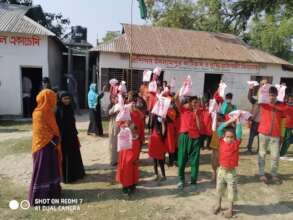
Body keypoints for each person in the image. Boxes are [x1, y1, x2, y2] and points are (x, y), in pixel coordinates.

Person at [28, 89, 62, 206]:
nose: (55, 101)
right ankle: (40, 197)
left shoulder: (49, 112)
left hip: (50, 146)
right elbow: (41, 132)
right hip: (42, 147)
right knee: (42, 172)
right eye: (53, 98)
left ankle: (52, 193)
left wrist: (54, 140)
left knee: (51, 170)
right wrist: (53, 141)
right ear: (47, 99)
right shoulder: (38, 113)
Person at [213, 115, 242, 218]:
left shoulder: (236, 144)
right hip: (221, 171)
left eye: (231, 137)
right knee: (219, 189)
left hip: (231, 173)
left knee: (231, 192)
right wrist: (231, 120)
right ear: (223, 137)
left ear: (234, 138)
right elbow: (220, 129)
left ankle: (230, 210)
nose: (229, 139)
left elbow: (239, 132)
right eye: (227, 137)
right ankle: (218, 205)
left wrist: (238, 121)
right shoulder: (221, 141)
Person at [258, 86, 287, 184]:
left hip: (276, 135)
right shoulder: (263, 104)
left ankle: (273, 174)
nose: (272, 97)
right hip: (263, 133)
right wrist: (259, 87)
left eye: (274, 95)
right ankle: (261, 174)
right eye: (270, 95)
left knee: (275, 155)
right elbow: (254, 98)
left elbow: (283, 121)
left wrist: (282, 135)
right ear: (268, 95)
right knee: (262, 153)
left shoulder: (282, 106)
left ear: (277, 95)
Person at [55, 91, 85, 183]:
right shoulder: (58, 110)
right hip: (63, 137)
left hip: (72, 135)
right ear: (60, 99)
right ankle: (67, 176)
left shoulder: (70, 108)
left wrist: (75, 133)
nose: (67, 100)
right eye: (65, 99)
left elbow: (72, 122)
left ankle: (76, 174)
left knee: (74, 154)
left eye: (68, 98)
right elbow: (57, 124)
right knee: (66, 156)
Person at [176, 96, 201, 190]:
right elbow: (176, 99)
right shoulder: (183, 110)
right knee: (181, 160)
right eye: (194, 102)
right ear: (190, 103)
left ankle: (193, 181)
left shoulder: (198, 113)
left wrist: (196, 114)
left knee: (195, 161)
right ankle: (181, 180)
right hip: (184, 137)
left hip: (195, 138)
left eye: (197, 102)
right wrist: (181, 90)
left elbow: (199, 128)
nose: (195, 104)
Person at [116, 122, 141, 195]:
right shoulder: (125, 138)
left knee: (132, 173)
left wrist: (135, 158)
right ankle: (125, 186)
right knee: (126, 173)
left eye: (135, 130)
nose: (134, 132)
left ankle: (132, 185)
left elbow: (137, 150)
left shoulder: (136, 140)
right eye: (132, 130)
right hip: (126, 159)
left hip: (132, 159)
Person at [148, 114, 167, 181]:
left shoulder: (163, 118)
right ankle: (156, 174)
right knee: (155, 160)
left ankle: (163, 175)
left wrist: (162, 122)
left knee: (160, 160)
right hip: (154, 140)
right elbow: (150, 127)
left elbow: (164, 132)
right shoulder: (154, 117)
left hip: (159, 141)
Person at [108, 96, 120, 166]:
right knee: (113, 144)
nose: (117, 100)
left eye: (118, 99)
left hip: (120, 127)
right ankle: (113, 160)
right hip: (113, 126)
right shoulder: (111, 106)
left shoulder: (122, 106)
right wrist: (115, 107)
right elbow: (109, 113)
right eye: (115, 99)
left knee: (119, 144)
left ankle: (119, 160)